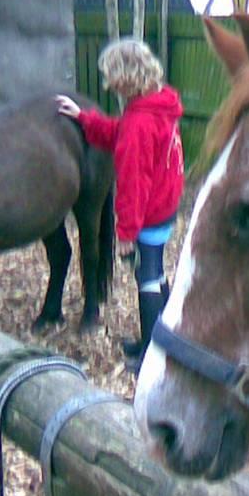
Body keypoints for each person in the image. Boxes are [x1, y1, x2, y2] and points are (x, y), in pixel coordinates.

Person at [56, 38, 184, 371]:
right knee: (155, 272)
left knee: (147, 279)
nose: (108, 83)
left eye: (111, 76)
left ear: (126, 77)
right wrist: (84, 118)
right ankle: (165, 339)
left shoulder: (140, 121)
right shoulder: (158, 105)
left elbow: (133, 183)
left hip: (150, 213)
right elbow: (121, 132)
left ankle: (152, 356)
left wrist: (126, 231)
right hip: (165, 206)